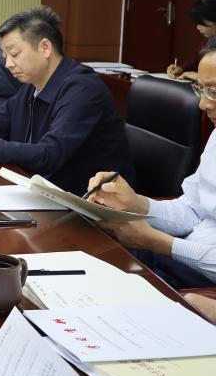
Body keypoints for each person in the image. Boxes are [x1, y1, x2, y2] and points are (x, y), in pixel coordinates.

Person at [0, 6, 134, 194]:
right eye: (5, 56)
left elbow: (49, 154)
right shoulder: (32, 85)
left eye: (14, 54)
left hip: (87, 203)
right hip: (40, 189)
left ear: (45, 48)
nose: (8, 64)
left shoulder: (82, 89)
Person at [88, 46, 216, 289]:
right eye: (201, 89)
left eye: (214, 91)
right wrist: (135, 204)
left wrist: (158, 242)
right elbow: (193, 210)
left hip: (201, 284)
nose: (202, 104)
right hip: (179, 258)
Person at [167, 0, 216, 82]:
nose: (198, 28)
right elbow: (195, 63)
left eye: (201, 23)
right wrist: (181, 69)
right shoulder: (208, 43)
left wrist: (198, 76)